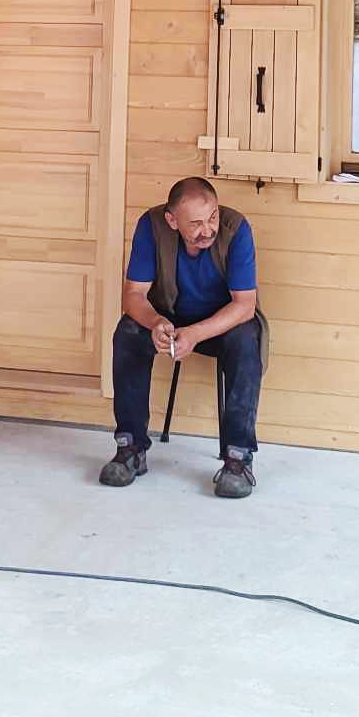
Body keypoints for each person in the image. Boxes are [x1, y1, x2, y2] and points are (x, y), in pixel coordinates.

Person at [99, 177, 267, 498]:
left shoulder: (236, 229)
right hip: (169, 319)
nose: (208, 230)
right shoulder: (150, 227)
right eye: (196, 224)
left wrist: (195, 333)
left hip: (220, 325)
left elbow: (245, 305)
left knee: (248, 339)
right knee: (128, 332)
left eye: (212, 217)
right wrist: (155, 322)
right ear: (172, 220)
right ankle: (131, 448)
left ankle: (238, 458)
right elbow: (133, 294)